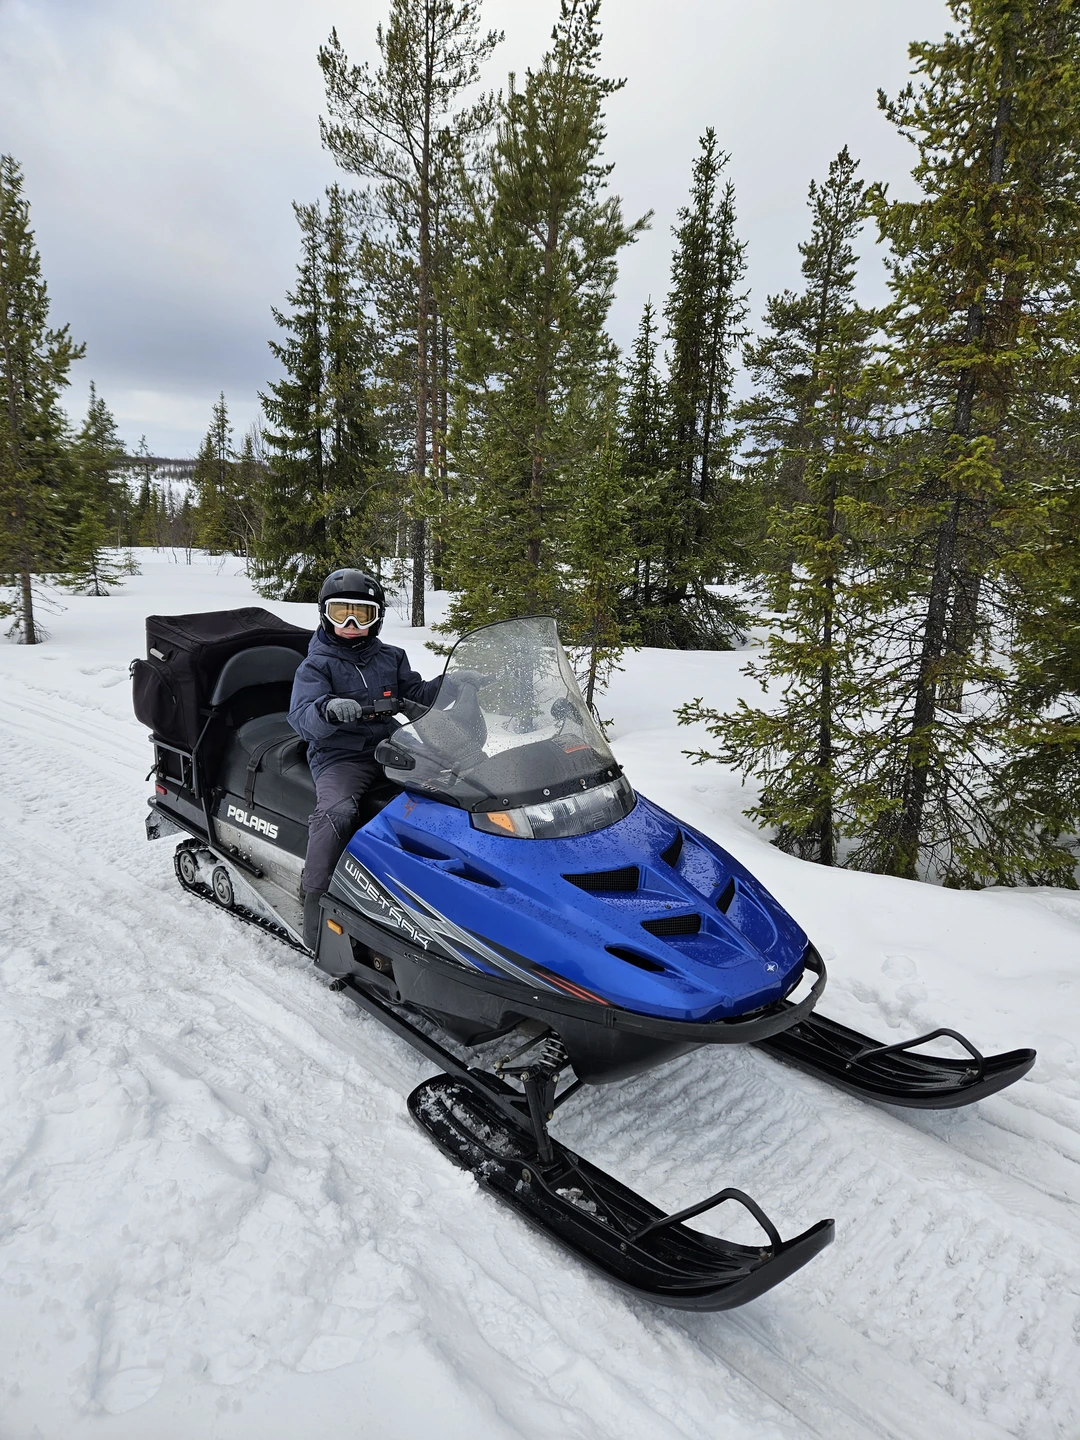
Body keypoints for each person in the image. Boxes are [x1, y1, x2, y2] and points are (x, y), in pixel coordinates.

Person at [288, 568, 458, 951]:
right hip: (339, 756)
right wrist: (328, 709)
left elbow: (415, 696)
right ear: (324, 614)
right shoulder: (316, 666)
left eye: (361, 614)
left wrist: (452, 683)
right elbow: (301, 717)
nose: (350, 624)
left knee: (449, 792)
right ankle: (314, 898)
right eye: (340, 613)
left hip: (392, 746)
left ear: (376, 616)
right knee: (337, 814)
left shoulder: (391, 657)